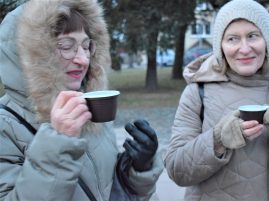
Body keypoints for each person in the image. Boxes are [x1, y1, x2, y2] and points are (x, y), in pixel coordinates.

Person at [0, 0, 163, 200]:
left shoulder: (89, 108)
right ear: (31, 55)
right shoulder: (5, 127)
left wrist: (138, 166)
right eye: (66, 46)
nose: (83, 59)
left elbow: (108, 188)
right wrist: (58, 142)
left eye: (86, 46)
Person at [164, 0, 269, 200]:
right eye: (232, 39)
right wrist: (217, 140)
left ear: (268, 41)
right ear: (221, 45)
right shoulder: (197, 91)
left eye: (253, 36)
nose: (244, 49)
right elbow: (177, 170)